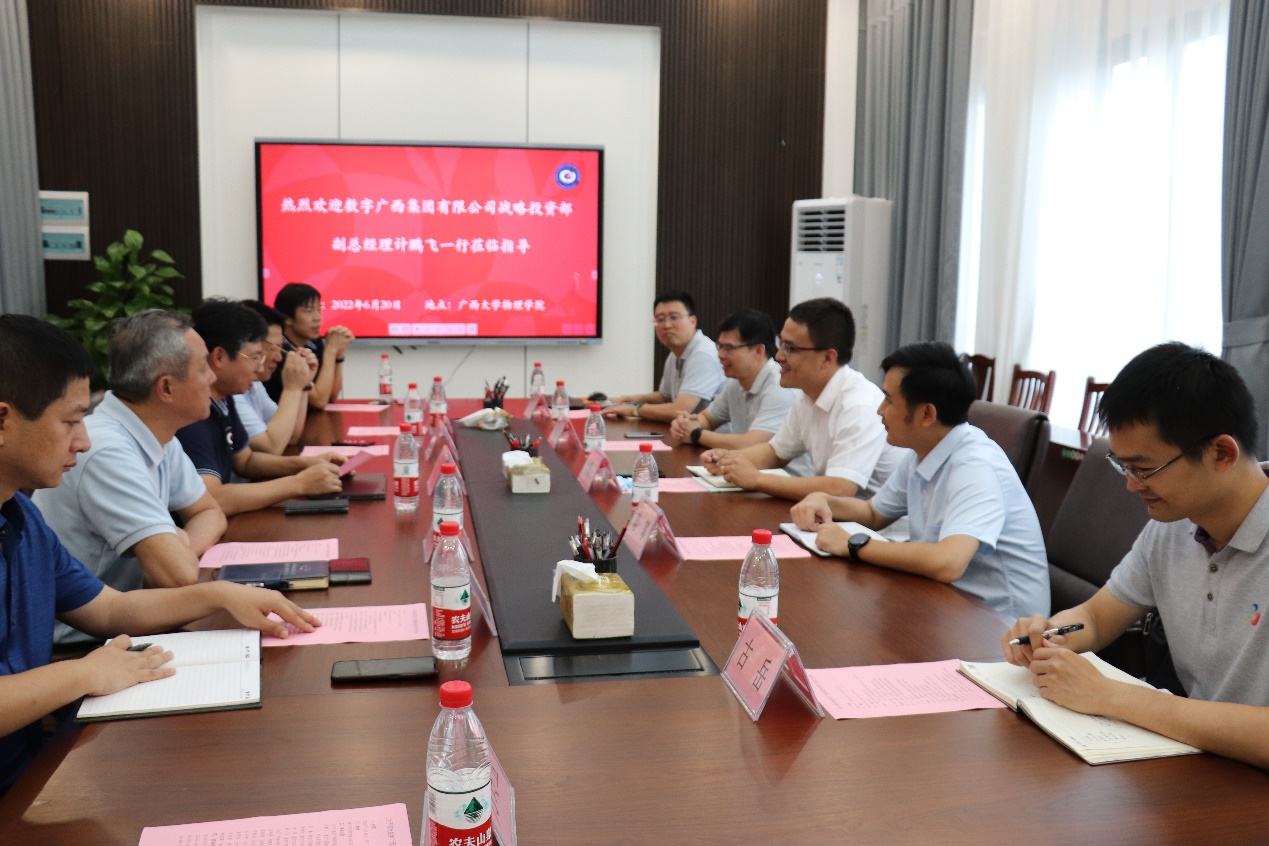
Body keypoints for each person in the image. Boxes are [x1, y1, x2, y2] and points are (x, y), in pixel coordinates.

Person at [0, 314, 319, 795]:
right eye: (70, 421)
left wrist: (219, 595)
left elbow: (108, 608)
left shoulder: (21, 514)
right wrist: (85, 671)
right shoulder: (100, 454)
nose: (82, 441)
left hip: (28, 765)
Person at [1002, 342, 1269, 769]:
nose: (1131, 485)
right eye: (1123, 466)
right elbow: (1097, 617)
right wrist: (1048, 635)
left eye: (1145, 470)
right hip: (1198, 764)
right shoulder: (1174, 526)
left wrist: (1112, 695)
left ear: (1222, 453)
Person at [791, 341, 1049, 619]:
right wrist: (824, 500)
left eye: (889, 400)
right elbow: (873, 513)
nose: (879, 410)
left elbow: (948, 562)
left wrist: (855, 544)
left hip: (1000, 624)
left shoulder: (976, 467)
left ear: (927, 414)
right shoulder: (923, 452)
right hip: (946, 602)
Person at [32, 311, 229, 645]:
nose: (213, 377)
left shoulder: (158, 432)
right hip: (81, 643)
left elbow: (209, 512)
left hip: (129, 621)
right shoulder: (106, 449)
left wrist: (179, 543)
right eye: (202, 367)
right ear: (166, 387)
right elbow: (177, 576)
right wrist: (173, 551)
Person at [700, 298, 902, 502]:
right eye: (780, 344)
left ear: (827, 358)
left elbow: (840, 488)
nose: (779, 356)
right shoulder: (808, 395)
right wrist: (729, 461)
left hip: (875, 520)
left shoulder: (858, 405)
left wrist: (757, 479)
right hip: (831, 513)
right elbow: (775, 452)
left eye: (790, 348)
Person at [176, 299, 345, 516]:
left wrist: (307, 464)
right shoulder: (191, 410)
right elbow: (211, 498)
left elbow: (246, 461)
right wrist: (299, 484)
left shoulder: (224, 397)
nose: (259, 367)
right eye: (256, 357)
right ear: (219, 357)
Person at [663, 310, 808, 469]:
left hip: (785, 479)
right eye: (720, 346)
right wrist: (684, 424)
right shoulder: (736, 383)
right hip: (748, 473)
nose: (720, 355)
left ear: (758, 351)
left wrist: (696, 434)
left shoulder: (780, 388)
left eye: (729, 348)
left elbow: (750, 443)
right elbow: (708, 419)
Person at [605, 291, 725, 422]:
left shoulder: (703, 354)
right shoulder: (675, 354)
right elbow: (665, 397)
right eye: (660, 319)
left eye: (674, 317)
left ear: (692, 321)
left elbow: (679, 410)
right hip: (686, 429)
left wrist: (634, 409)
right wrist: (629, 399)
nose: (667, 325)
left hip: (714, 433)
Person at [237, 300, 316, 455]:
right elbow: (271, 447)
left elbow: (291, 436)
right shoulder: (233, 392)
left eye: (281, 348)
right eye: (274, 348)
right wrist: (292, 388)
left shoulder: (255, 384)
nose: (279, 358)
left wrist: (304, 384)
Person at [268, 282, 354, 409]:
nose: (317, 317)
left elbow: (331, 395)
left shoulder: (314, 342)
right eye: (309, 311)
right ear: (287, 318)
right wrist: (330, 350)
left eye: (319, 309)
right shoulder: (279, 351)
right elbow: (319, 401)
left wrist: (338, 356)